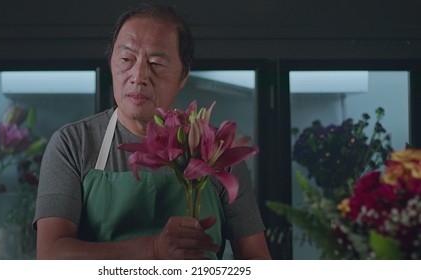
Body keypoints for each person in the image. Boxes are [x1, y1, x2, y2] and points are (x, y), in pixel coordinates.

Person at [33, 2, 271, 260]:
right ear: (111, 63)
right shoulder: (73, 144)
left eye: (156, 63)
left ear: (183, 75)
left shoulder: (215, 149)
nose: (138, 76)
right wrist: (154, 250)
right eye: (126, 59)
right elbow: (51, 255)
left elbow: (256, 262)